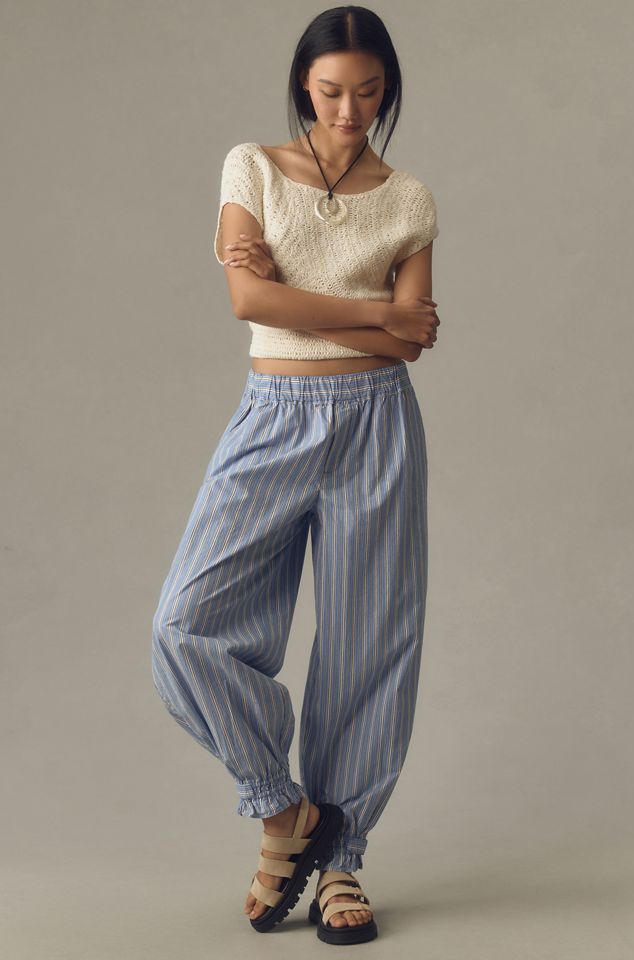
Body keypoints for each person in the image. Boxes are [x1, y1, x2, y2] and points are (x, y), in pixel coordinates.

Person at [151, 5, 440, 946]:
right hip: (273, 418)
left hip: (378, 424)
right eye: (329, 91)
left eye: (368, 91)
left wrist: (304, 300)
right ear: (303, 87)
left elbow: (415, 340)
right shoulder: (252, 167)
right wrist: (374, 313)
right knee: (184, 627)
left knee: (369, 648)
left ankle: (341, 861)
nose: (348, 111)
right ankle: (287, 811)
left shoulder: (409, 199)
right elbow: (249, 299)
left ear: (387, 89)